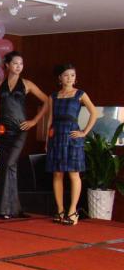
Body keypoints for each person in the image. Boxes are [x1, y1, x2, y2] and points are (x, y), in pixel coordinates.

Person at [0, 51, 48, 219]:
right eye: (15, 63)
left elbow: (47, 101)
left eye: (21, 64)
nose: (19, 66)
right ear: (7, 65)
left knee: (10, 163)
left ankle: (5, 208)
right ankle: (11, 207)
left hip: (20, 130)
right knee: (7, 165)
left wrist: (34, 121)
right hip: (2, 130)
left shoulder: (27, 84)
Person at [46, 63, 97, 226]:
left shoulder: (80, 94)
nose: (69, 78)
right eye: (66, 75)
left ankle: (73, 211)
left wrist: (84, 132)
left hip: (72, 136)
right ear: (60, 78)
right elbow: (50, 120)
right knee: (57, 174)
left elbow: (94, 113)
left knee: (74, 174)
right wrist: (47, 141)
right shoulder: (53, 96)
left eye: (72, 75)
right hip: (56, 136)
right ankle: (60, 210)